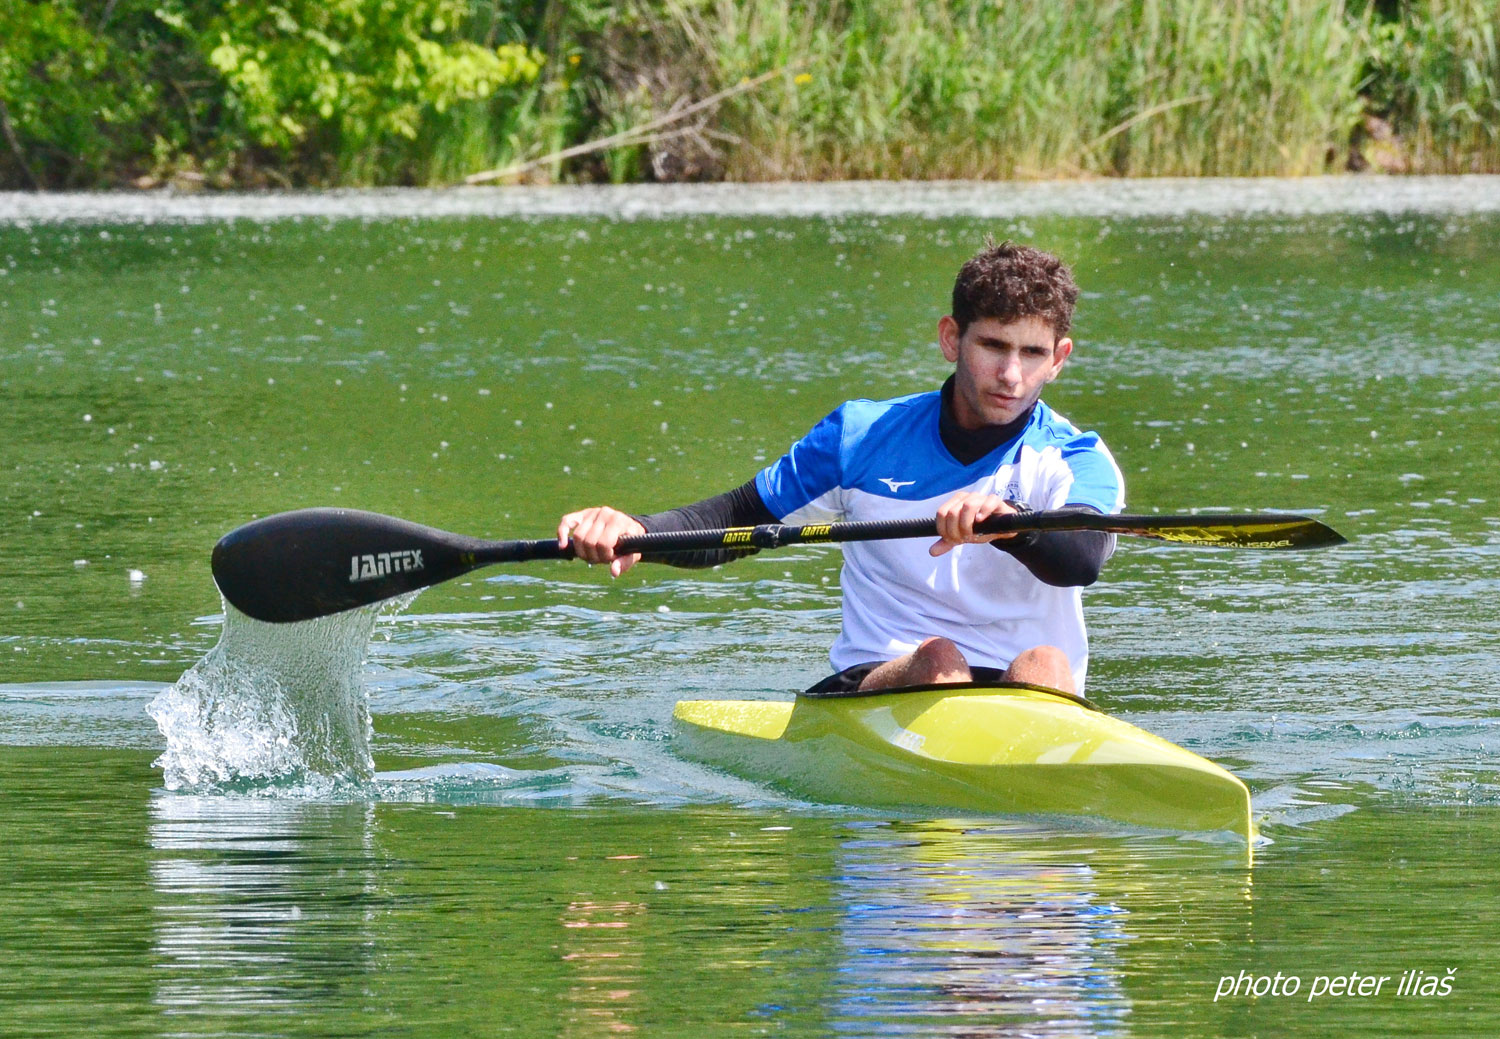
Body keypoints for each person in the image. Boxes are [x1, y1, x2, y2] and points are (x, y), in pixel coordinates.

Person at [558, 240, 1124, 696]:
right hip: (885, 675)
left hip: (1031, 699)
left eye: (1032, 353)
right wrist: (636, 531)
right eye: (995, 346)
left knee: (1047, 664)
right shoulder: (860, 437)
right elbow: (739, 520)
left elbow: (1081, 559)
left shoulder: (1077, 459)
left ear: (1059, 359)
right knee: (938, 659)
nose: (1010, 375)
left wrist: (1017, 524)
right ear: (952, 339)